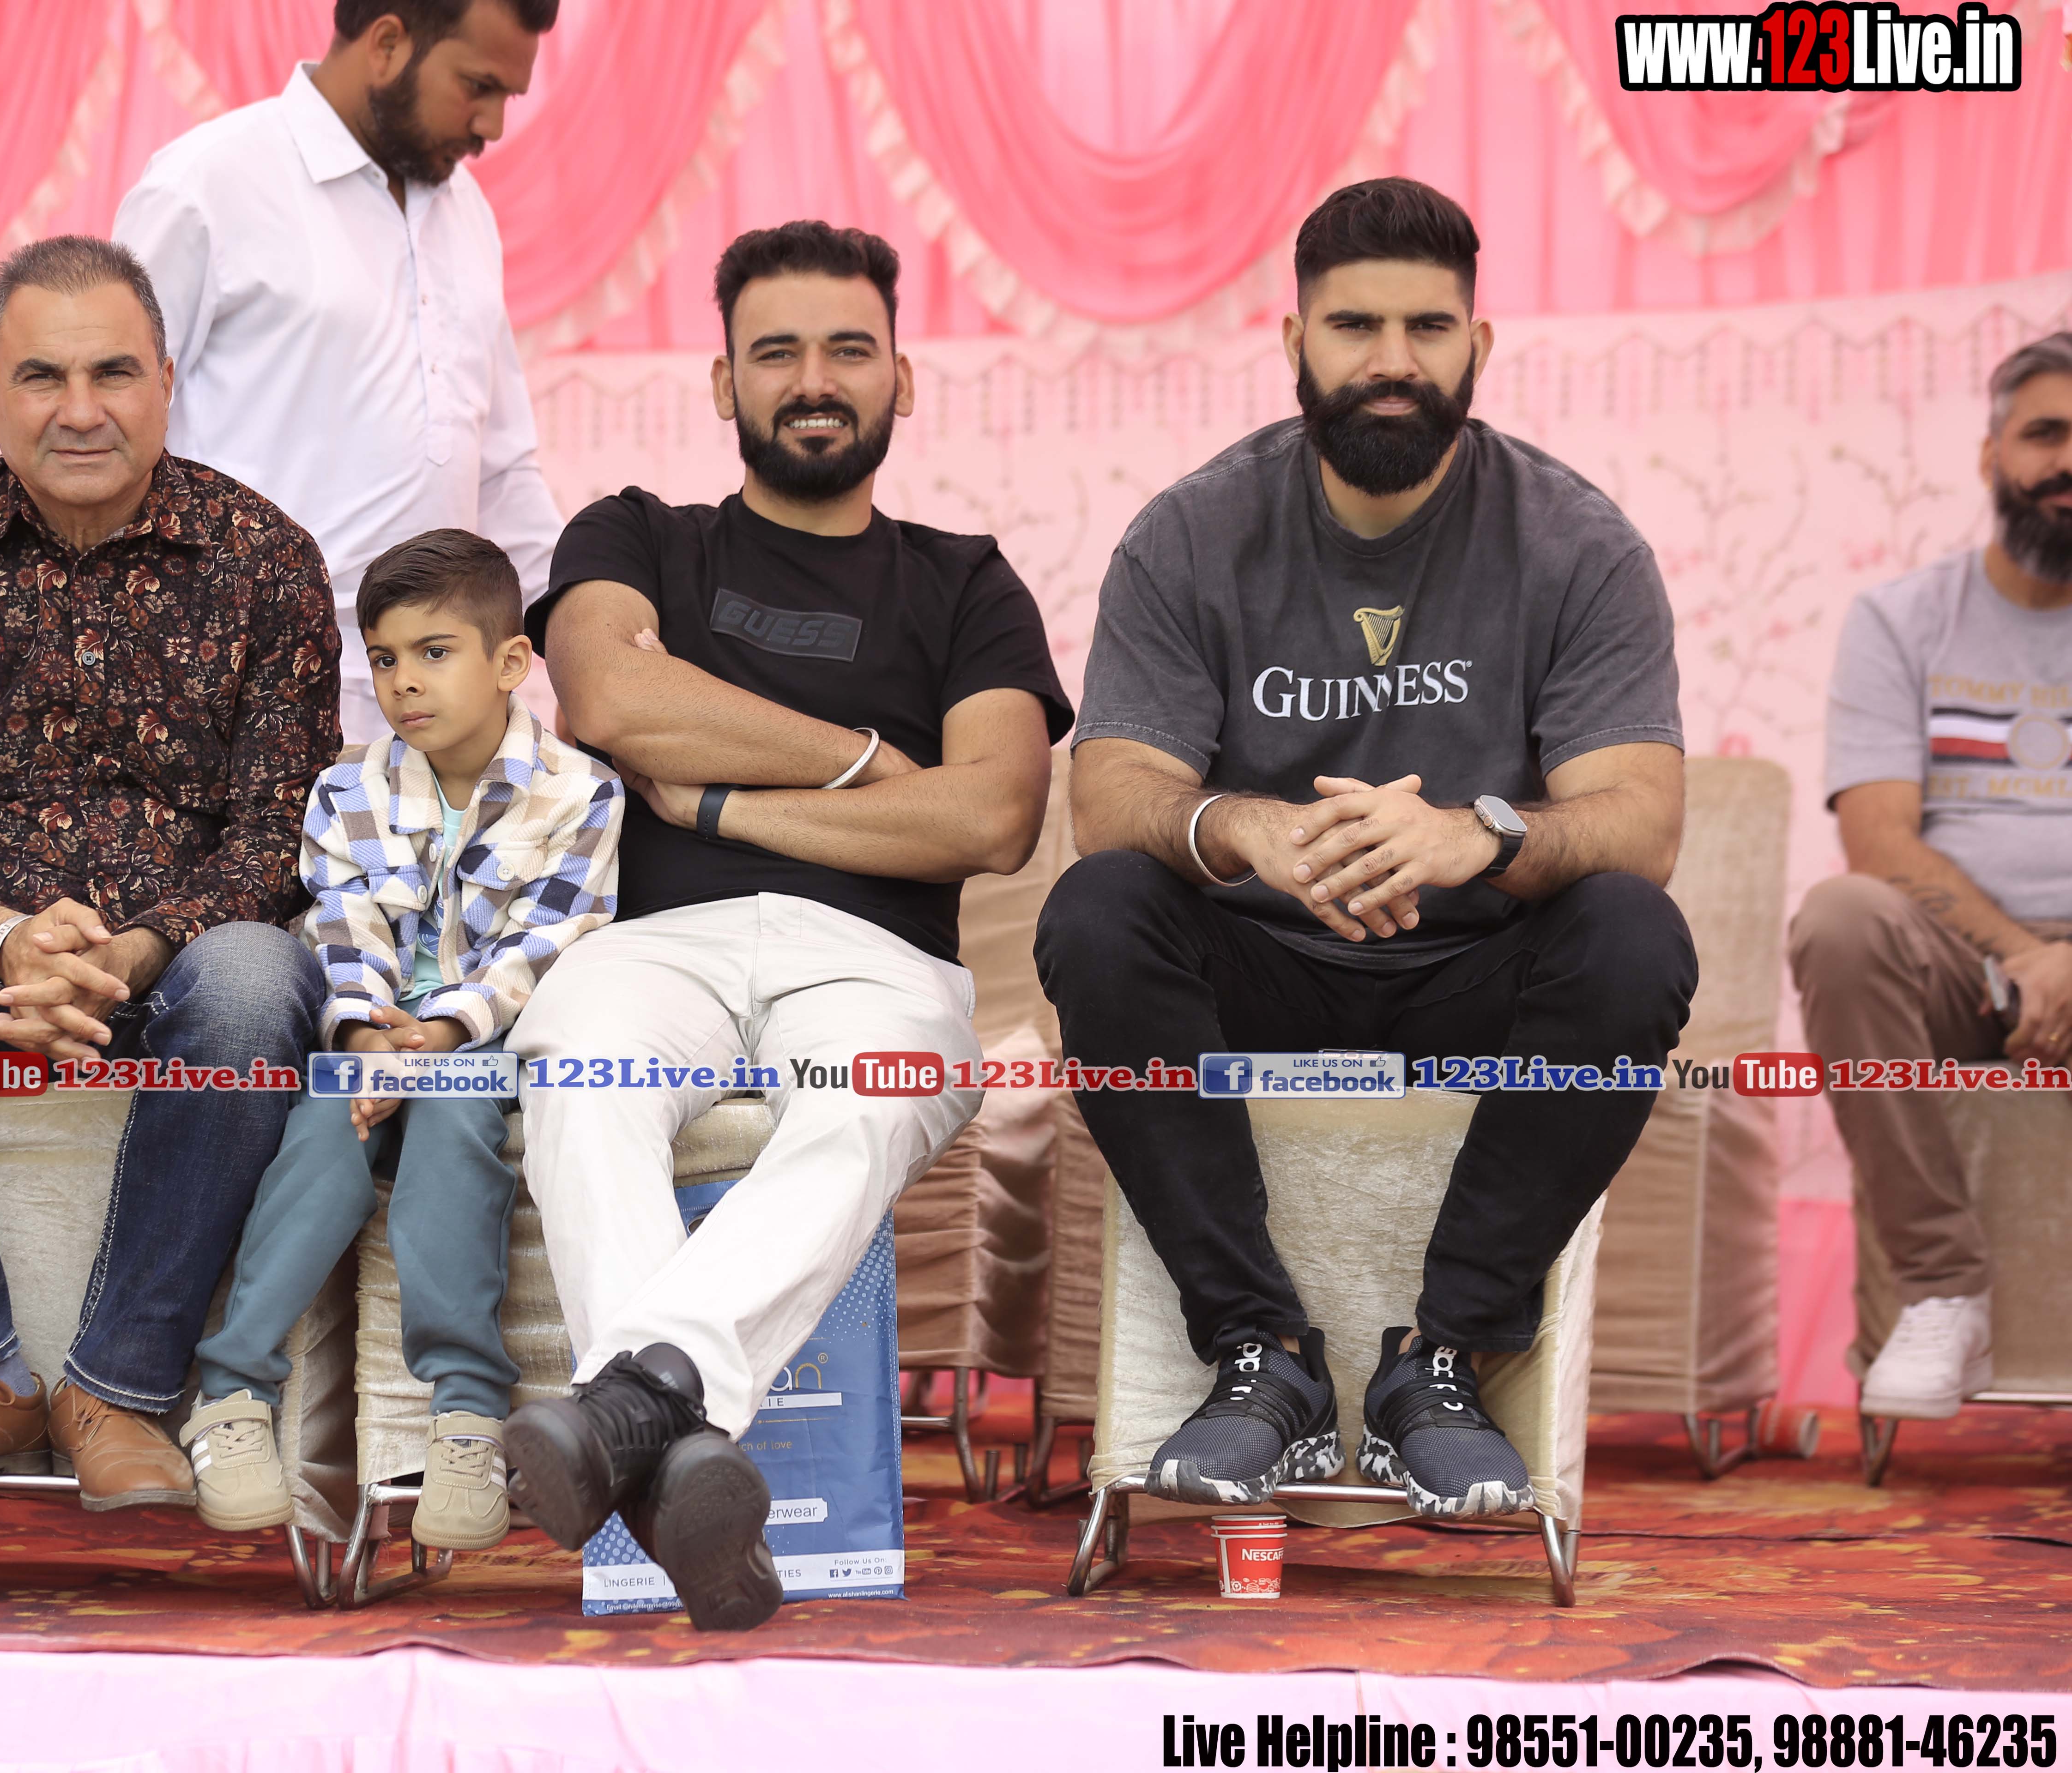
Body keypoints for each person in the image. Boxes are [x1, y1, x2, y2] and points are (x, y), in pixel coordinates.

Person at [1036, 179, 1695, 1518]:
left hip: (1477, 978)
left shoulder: (1579, 543)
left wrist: (1475, 838)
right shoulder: (1189, 534)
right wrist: (1249, 830)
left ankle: (1441, 1360)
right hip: (1262, 971)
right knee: (1098, 910)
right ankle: (1260, 1355)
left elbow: (1643, 817)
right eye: (1354, 326)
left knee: (1635, 935)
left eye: (1427, 327)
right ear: (1296, 343)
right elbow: (1108, 797)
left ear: (1478, 345)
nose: (1393, 360)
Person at [501, 221, 1068, 1630]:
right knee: (574, 1061)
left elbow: (994, 817)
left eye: (848, 350)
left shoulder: (967, 582)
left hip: (880, 966)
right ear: (723, 383)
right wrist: (874, 767)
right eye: (778, 353)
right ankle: (674, 1444)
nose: (814, 380)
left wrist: (719, 801)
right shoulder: (637, 536)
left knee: (875, 1098)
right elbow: (611, 700)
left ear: (903, 378)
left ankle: (635, 1411)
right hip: (661, 947)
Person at [0, 236, 340, 1516]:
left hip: (182, 974)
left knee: (258, 983)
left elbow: (281, 833)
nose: (80, 410)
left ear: (167, 383)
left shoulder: (265, 561)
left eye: (113, 373)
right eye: (42, 376)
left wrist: (131, 950)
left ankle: (117, 1392)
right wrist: (2, 941)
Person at [181, 528, 621, 1544]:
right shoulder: (347, 793)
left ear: (511, 662)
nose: (404, 682)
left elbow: (547, 945)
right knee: (325, 1124)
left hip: (488, 1038)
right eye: (383, 658)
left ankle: (467, 1415)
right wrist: (368, 1041)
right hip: (374, 1035)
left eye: (434, 652)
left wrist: (443, 1035)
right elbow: (342, 930)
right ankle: (233, 1392)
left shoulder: (581, 793)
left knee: (457, 1122)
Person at [115, 0, 564, 743]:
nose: (492, 126)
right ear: (387, 43)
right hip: (240, 707)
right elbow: (110, 436)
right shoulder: (206, 186)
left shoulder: (466, 211)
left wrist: (579, 645)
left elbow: (502, 473)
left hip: (445, 718)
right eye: (478, 86)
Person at [1789, 332, 2072, 1421]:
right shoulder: (1901, 620)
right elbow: (1878, 841)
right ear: (1993, 453)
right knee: (1842, 918)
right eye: (2045, 433)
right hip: (1968, 971)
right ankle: (1944, 1290)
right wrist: (2031, 957)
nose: (2065, 462)